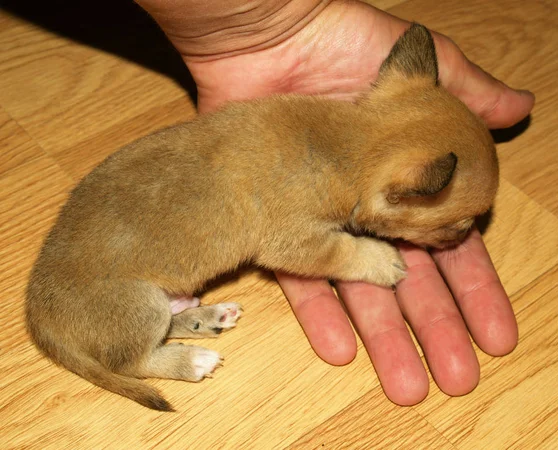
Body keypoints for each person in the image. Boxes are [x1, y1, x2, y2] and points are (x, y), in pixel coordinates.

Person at [134, 0, 533, 405]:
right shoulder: (304, 187)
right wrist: (357, 257)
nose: (462, 233)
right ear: (400, 188)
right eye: (458, 222)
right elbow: (287, 245)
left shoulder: (294, 128)